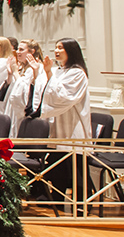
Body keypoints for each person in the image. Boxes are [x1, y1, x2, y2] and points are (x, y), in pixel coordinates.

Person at [39, 38, 91, 212]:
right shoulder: (61, 71)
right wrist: (48, 74)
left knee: (77, 169)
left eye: (61, 48)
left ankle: (82, 205)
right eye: (55, 47)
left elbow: (64, 97)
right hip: (60, 125)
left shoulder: (77, 73)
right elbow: (48, 93)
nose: (56, 51)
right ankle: (58, 201)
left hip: (73, 126)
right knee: (59, 167)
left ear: (71, 50)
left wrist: (49, 74)